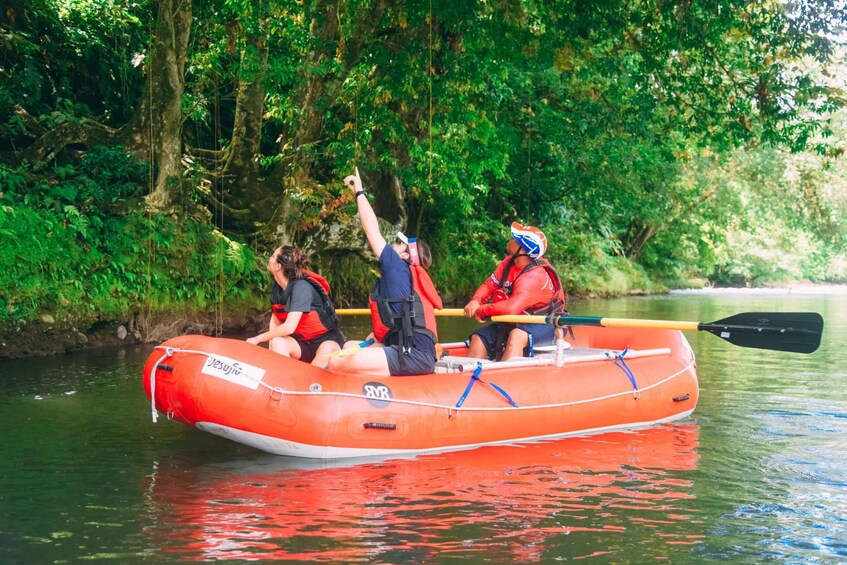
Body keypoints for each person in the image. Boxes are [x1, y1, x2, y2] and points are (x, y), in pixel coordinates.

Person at [328, 168, 443, 376]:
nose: (395, 244)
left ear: (406, 255)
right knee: (348, 346)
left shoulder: (397, 265)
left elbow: (371, 229)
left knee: (337, 363)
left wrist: (359, 192)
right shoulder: (403, 276)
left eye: (400, 244)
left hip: (413, 355)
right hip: (407, 349)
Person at [463, 222, 566, 361]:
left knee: (517, 336)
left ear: (522, 250)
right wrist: (476, 300)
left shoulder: (534, 276)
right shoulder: (508, 263)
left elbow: (511, 308)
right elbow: (490, 284)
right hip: (517, 320)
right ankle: (470, 381)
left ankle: (505, 380)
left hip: (546, 324)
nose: (510, 240)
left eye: (514, 240)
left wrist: (481, 310)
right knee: (478, 337)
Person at [247, 245, 346, 367]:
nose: (269, 258)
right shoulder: (277, 288)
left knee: (327, 349)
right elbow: (276, 322)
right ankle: (284, 378)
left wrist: (257, 339)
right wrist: (271, 351)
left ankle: (309, 378)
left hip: (327, 341)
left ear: (278, 266)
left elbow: (289, 328)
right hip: (303, 344)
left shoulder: (301, 288)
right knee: (278, 341)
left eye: (272, 256)